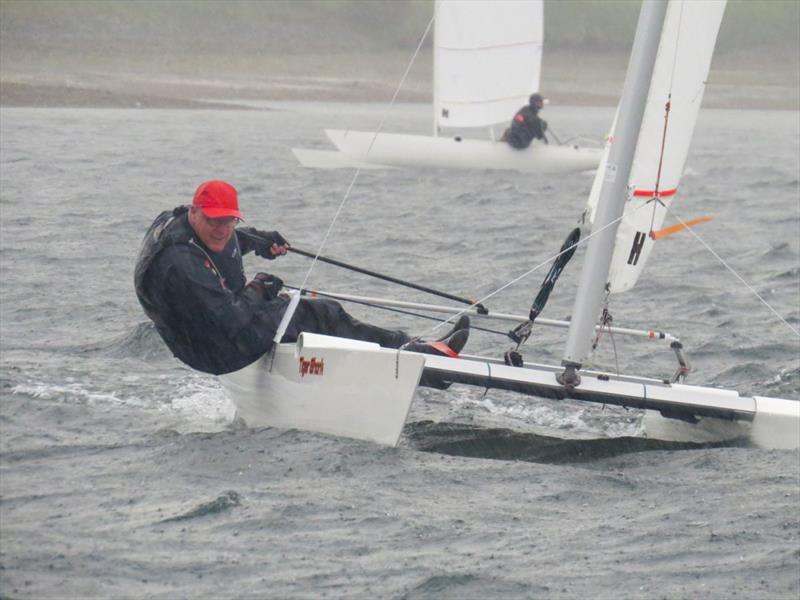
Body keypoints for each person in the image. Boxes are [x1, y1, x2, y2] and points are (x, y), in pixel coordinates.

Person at [134, 180, 469, 379]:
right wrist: (258, 288)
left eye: (230, 221)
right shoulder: (181, 264)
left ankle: (399, 355)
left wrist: (259, 241)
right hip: (216, 351)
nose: (222, 229)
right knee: (322, 314)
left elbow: (223, 241)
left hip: (210, 335)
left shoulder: (185, 225)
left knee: (293, 311)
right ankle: (415, 355)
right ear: (194, 212)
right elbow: (231, 317)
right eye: (214, 221)